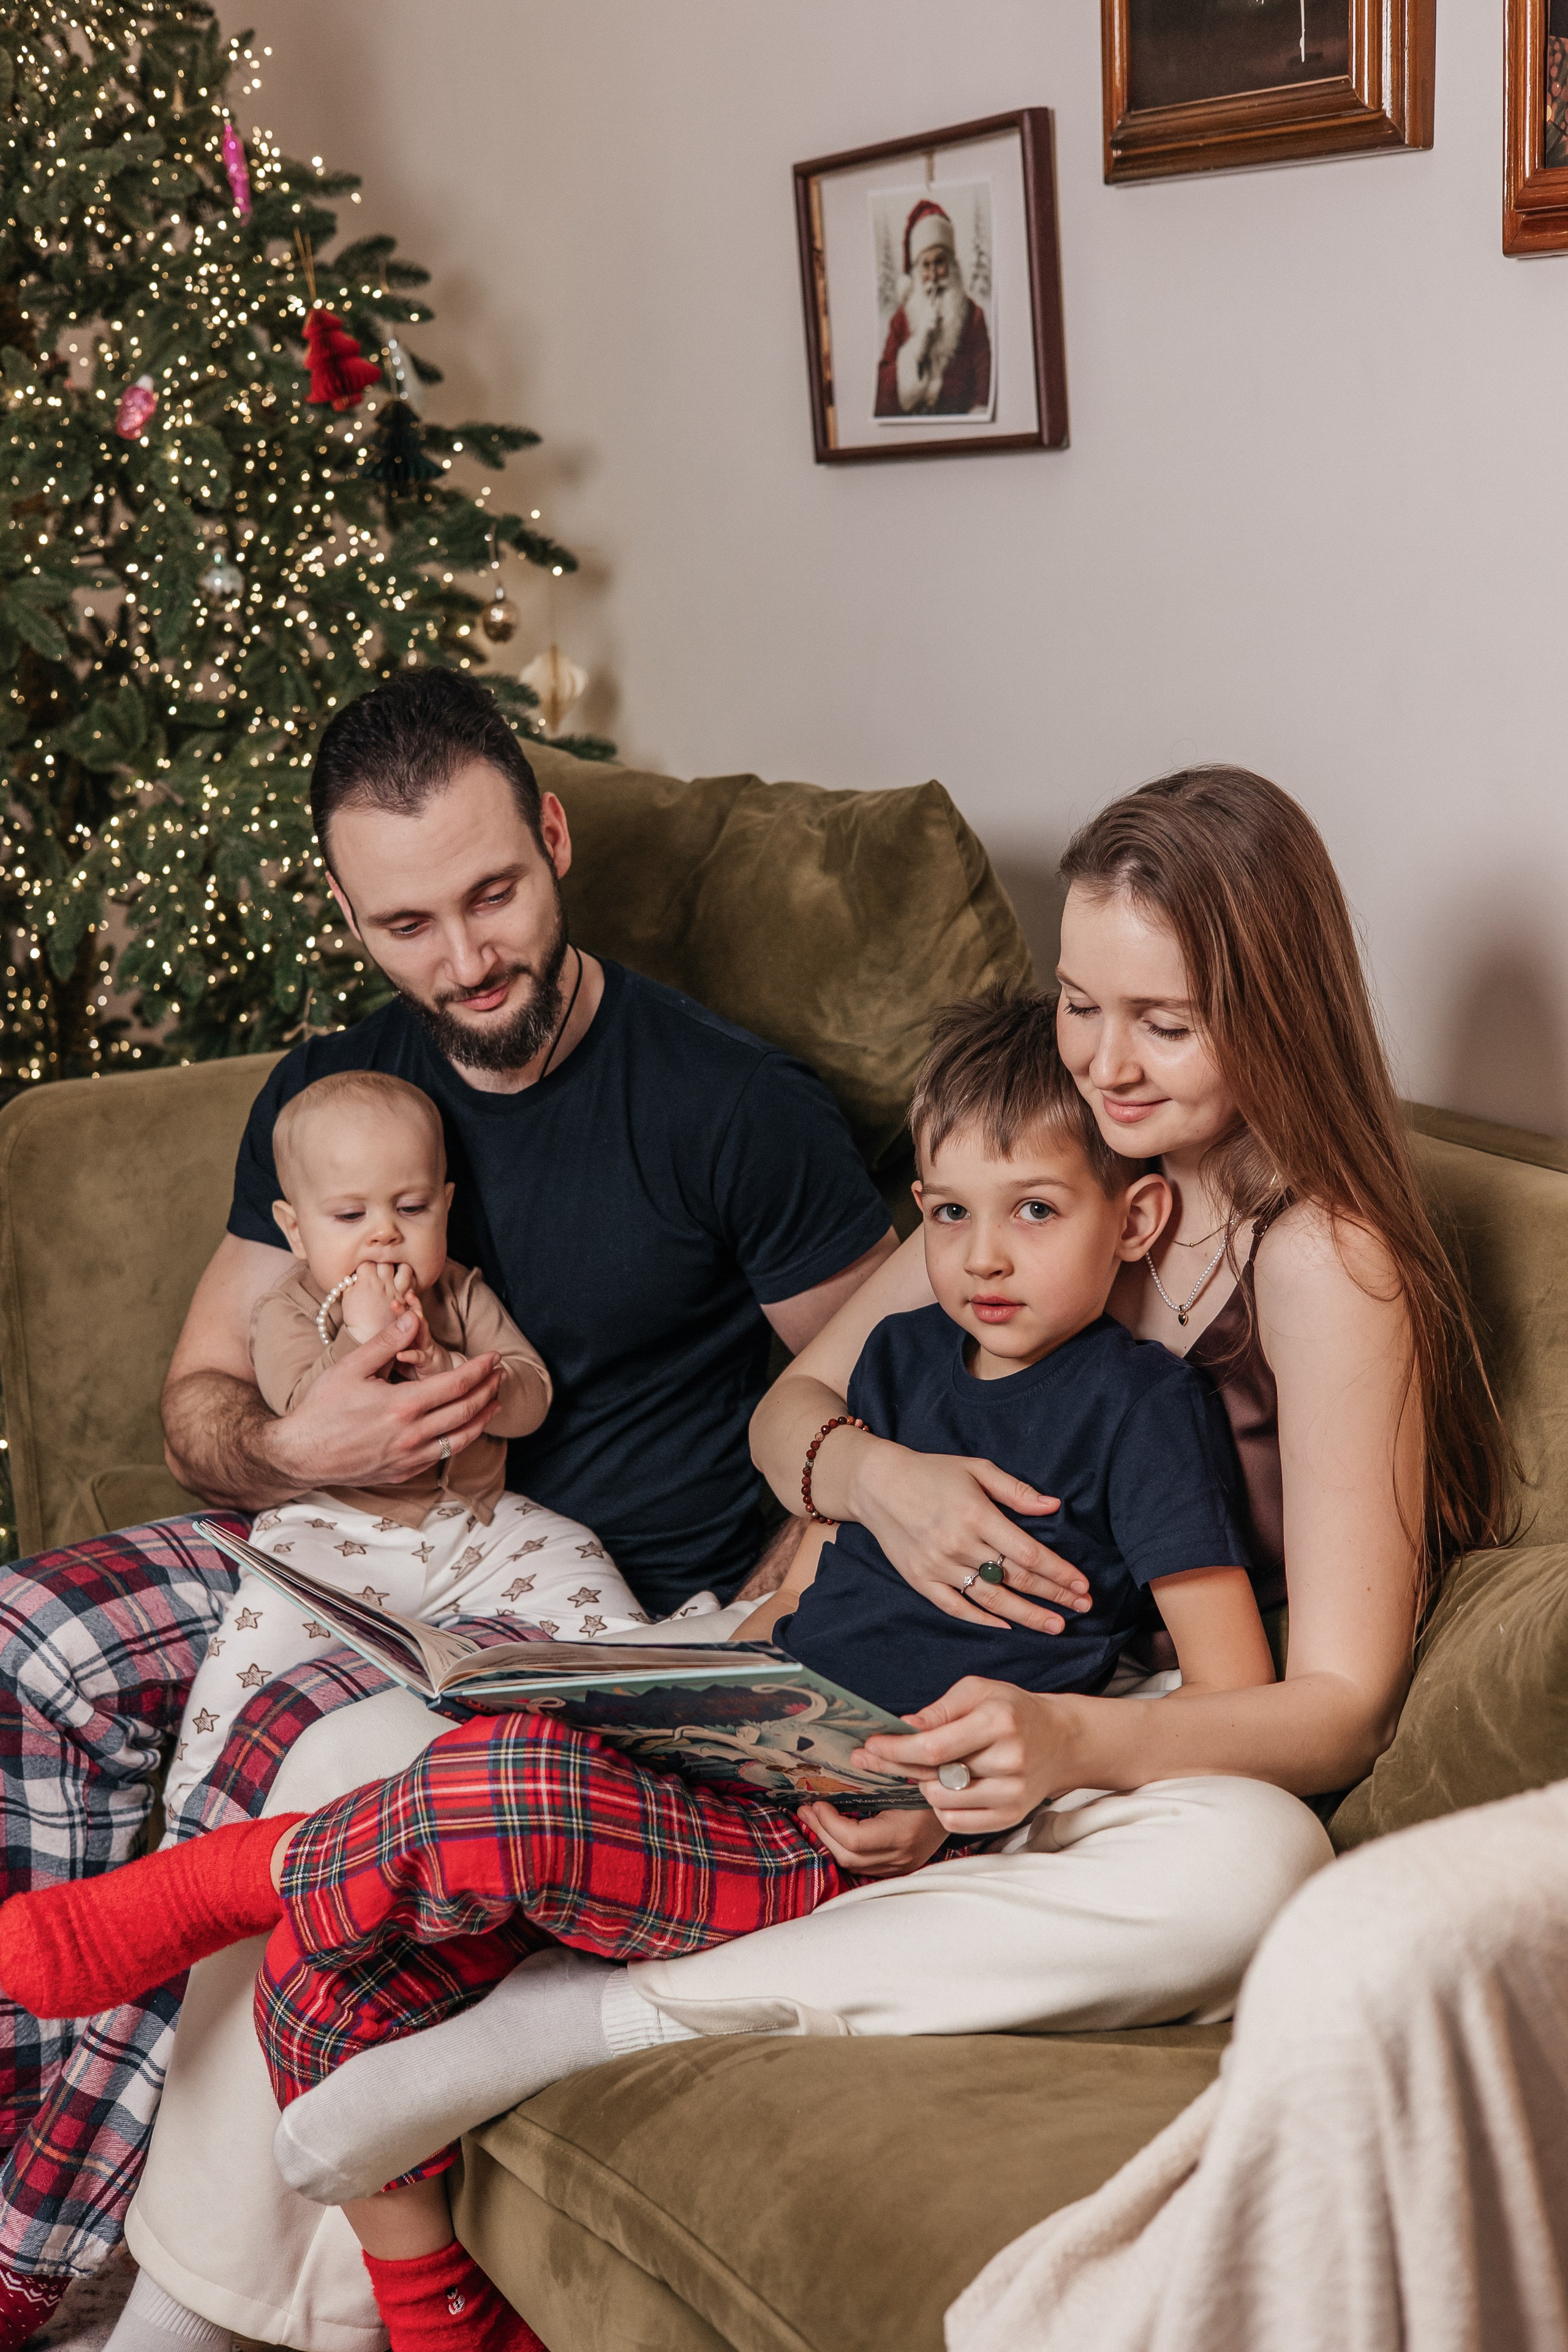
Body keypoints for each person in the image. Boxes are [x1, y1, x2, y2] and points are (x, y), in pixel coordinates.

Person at [65, 765, 1512, 2352]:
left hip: (1110, 1706)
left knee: (1253, 1874)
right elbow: (797, 1404)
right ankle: (196, 2312)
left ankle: (604, 2012)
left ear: (1273, 1005)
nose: (1104, 1061)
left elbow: (1341, 1708)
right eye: (1084, 1002)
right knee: (359, 1746)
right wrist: (880, 1481)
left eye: (1159, 1023)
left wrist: (1070, 1741)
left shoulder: (1323, 1258)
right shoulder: (1025, 1165)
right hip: (845, 1656)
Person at [1, 992, 1278, 2352]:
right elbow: (798, 1491)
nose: (981, 1257)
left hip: (855, 1819)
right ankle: (436, 2322)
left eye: (1033, 1211)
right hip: (753, 1725)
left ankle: (203, 1886)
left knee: (502, 1789)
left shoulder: (1139, 1411)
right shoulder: (902, 1359)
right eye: (948, 1213)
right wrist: (730, 1647)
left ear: (1131, 1222)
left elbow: (1223, 1695)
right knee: (326, 1976)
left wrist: (970, 1797)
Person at [0, 670, 897, 2343]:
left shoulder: (729, 1108)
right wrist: (300, 1448)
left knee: (274, 1758)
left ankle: (78, 2261)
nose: (467, 958)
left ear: (554, 838)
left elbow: (876, 1377)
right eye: (408, 922)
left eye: (495, 894)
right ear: (351, 913)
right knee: (25, 1641)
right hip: (321, 1537)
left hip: (539, 1601)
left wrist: (771, 1612)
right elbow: (202, 1403)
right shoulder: (339, 1091)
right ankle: (22, 2201)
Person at [165, 1067, 644, 1822]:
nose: (384, 1234)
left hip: (476, 1525)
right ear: (296, 1230)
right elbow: (300, 1407)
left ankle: (658, 1698)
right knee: (249, 1649)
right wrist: (362, 1335)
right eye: (350, 1214)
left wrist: (456, 1371)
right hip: (335, 1531)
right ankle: (199, 1821)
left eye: (411, 1207)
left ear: (445, 1206)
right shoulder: (289, 1308)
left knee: (578, 1554)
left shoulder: (456, 1292)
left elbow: (532, 1394)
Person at [946, 1778, 1568, 2352]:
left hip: (1102, 1811)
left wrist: (1048, 1748)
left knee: (1264, 1869)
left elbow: (1336, 1704)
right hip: (955, 1825)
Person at [874, 198, 993, 419]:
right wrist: (918, 344)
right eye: (925, 266)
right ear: (917, 273)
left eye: (940, 263)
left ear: (952, 266)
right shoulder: (901, 319)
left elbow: (985, 387)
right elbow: (882, 395)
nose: (933, 276)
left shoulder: (974, 316)